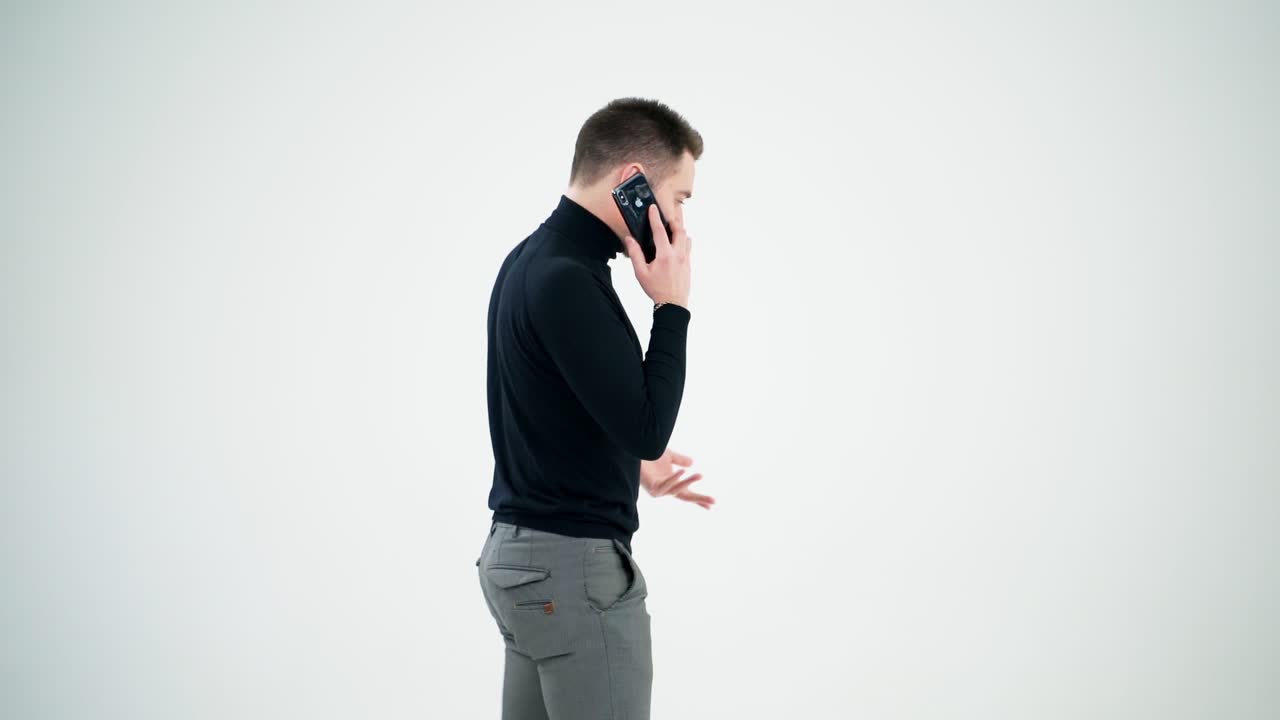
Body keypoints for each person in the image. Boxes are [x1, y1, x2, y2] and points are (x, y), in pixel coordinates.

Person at [474, 97, 714, 719]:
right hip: (571, 570)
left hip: (520, 561)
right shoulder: (568, 279)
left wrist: (630, 464)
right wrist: (672, 306)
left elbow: (549, 404)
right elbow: (647, 427)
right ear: (632, 181)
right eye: (679, 197)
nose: (681, 220)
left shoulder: (532, 260)